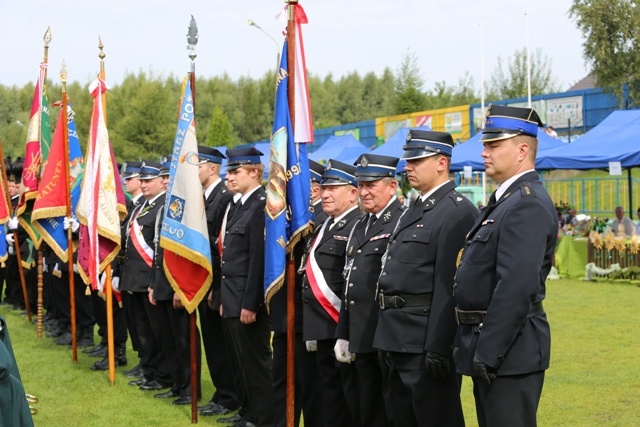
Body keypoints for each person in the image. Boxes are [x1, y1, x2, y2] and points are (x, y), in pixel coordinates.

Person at [454, 104, 558, 427]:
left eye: (494, 144)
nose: (484, 152)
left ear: (522, 149)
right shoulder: (507, 200)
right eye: (486, 144)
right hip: (496, 350)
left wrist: (488, 352)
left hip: (509, 353)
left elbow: (517, 286)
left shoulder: (525, 203)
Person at [373, 130, 478, 427]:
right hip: (395, 338)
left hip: (423, 344)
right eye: (408, 160)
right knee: (400, 417)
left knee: (434, 418)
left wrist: (440, 347)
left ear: (441, 162)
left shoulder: (457, 212)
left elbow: (450, 287)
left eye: (417, 160)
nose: (408, 166)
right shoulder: (413, 210)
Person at [334, 153, 405, 427]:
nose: (363, 191)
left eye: (371, 185)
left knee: (383, 410)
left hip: (382, 332)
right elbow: (348, 281)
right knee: (362, 406)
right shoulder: (361, 224)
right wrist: (343, 331)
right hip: (359, 333)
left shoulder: (401, 220)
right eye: (360, 185)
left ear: (391, 187)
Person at [302, 159, 361, 426]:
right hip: (320, 328)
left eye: (333, 188)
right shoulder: (326, 223)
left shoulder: (357, 225)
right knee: (324, 400)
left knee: (342, 403)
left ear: (352, 192)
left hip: (338, 326)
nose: (324, 194)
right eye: (323, 187)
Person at [219, 147, 273, 427]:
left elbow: (257, 261)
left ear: (254, 171)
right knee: (242, 363)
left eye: (235, 171)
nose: (229, 176)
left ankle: (263, 418)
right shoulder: (240, 204)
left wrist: (250, 303)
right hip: (232, 297)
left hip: (246, 301)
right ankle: (249, 412)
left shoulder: (261, 205)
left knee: (256, 364)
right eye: (229, 171)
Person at [270, 157, 325, 427]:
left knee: (312, 390)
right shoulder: (287, 219)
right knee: (281, 383)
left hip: (310, 320)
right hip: (286, 316)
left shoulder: (322, 222)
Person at [119, 161, 173, 391]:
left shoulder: (163, 205)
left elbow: (158, 247)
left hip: (149, 278)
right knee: (143, 329)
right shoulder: (142, 206)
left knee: (156, 332)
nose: (143, 184)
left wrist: (154, 281)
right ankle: (149, 369)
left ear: (162, 181)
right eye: (141, 180)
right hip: (135, 277)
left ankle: (160, 374)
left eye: (148, 180)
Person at [195, 146, 239, 417]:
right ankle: (222, 392)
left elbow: (220, 249)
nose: (193, 171)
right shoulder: (205, 198)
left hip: (216, 284)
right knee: (212, 342)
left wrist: (214, 286)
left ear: (213, 168)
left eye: (197, 165)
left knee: (221, 345)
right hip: (205, 281)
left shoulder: (223, 198)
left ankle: (229, 395)